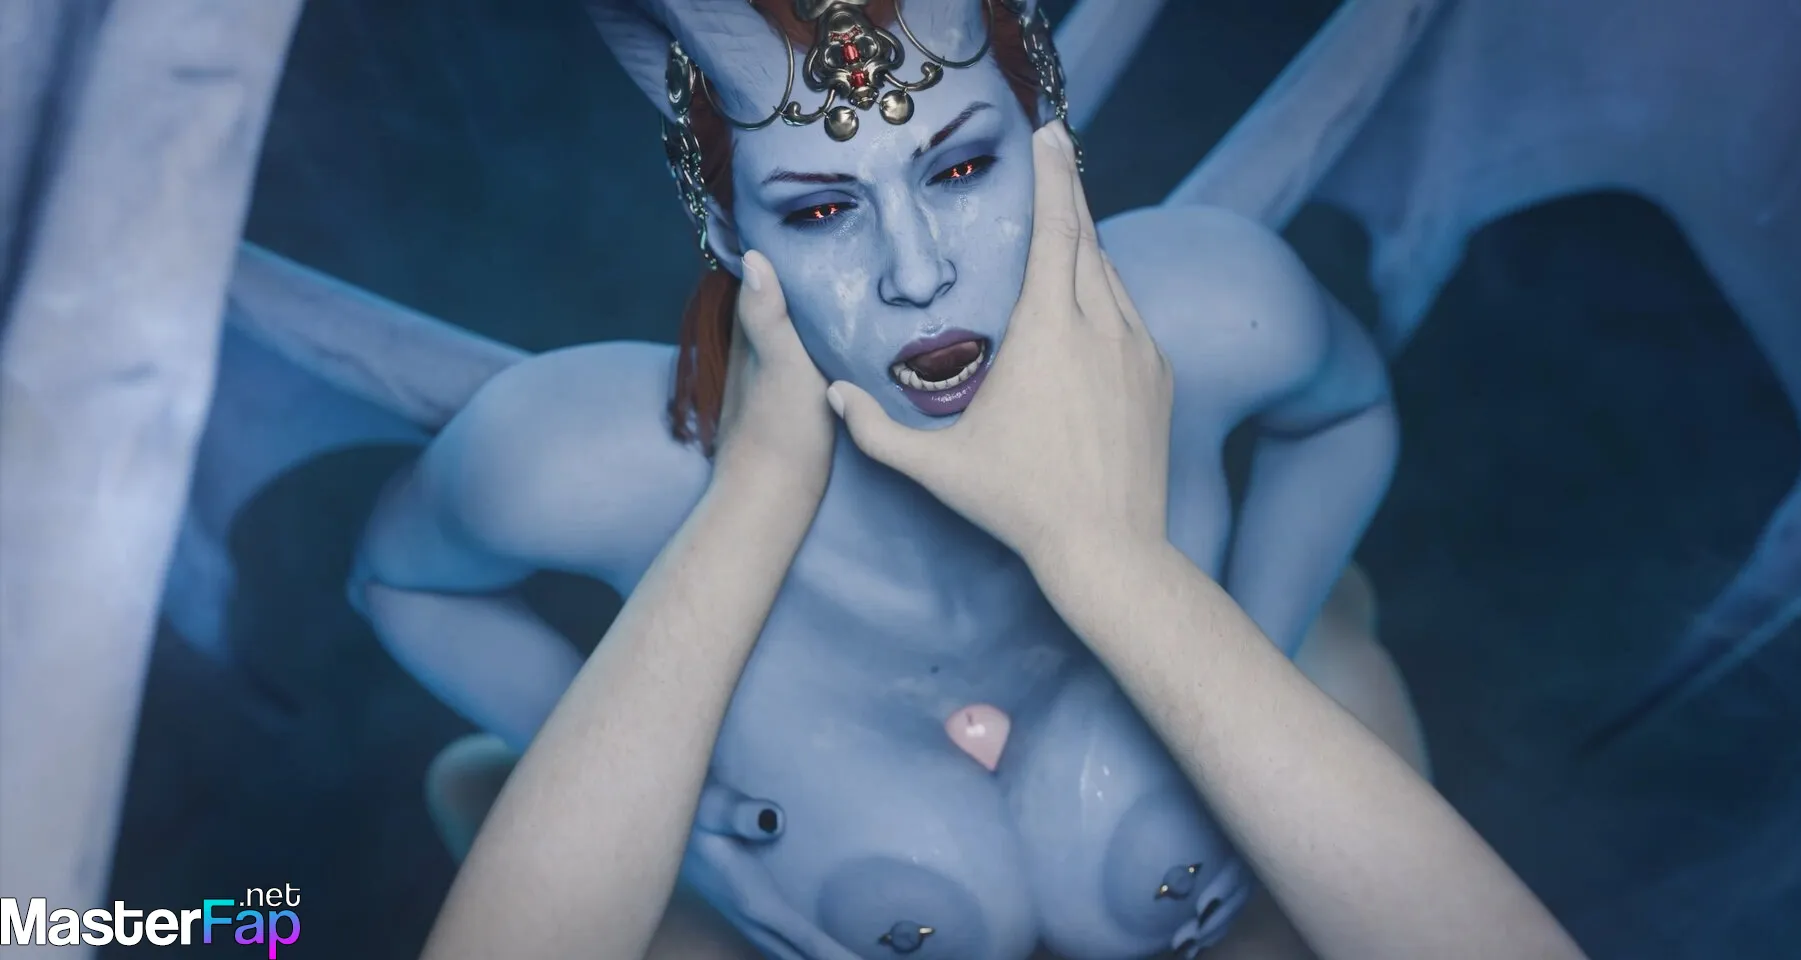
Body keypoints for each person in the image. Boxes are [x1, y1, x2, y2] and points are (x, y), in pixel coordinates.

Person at [358, 1, 1428, 954]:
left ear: (1049, 143)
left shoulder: (1209, 315)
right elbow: (399, 580)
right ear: (728, 231)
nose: (918, 273)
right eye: (821, 211)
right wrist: (648, 796)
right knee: (490, 796)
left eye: (960, 171)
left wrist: (1259, 652)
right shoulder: (594, 459)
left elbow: (1343, 414)